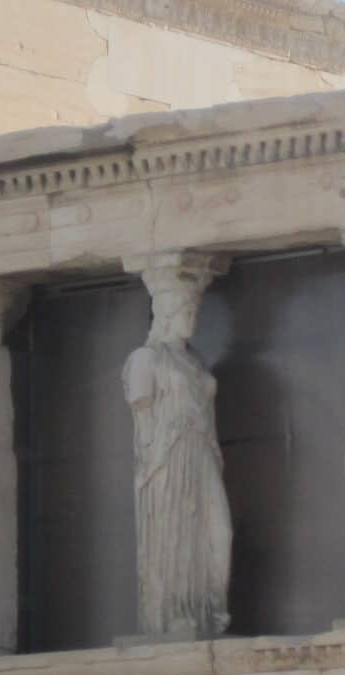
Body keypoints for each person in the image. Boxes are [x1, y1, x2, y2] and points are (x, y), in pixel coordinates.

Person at [123, 262, 232, 637]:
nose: (192, 318)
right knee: (176, 534)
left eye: (194, 311)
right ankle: (173, 614)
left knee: (219, 534)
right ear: (166, 312)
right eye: (186, 310)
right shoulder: (146, 359)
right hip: (168, 462)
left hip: (202, 455)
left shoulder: (195, 361)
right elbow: (144, 421)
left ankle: (208, 609)